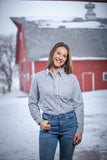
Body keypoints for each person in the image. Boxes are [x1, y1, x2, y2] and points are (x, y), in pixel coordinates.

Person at [28, 42, 84, 160]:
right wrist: (40, 121)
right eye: (58, 53)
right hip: (49, 125)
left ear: (66, 59)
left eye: (64, 56)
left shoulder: (72, 79)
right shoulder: (38, 78)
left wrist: (80, 130)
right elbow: (32, 102)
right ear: (53, 53)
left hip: (70, 125)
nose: (60, 57)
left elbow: (78, 104)